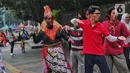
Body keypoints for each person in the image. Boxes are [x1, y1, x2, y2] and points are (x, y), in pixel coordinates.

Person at [70, 5, 127, 73]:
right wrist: (76, 20)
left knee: (106, 71)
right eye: (97, 13)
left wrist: (118, 38)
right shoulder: (84, 23)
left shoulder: (101, 26)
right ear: (91, 14)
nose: (99, 15)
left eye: (99, 13)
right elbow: (72, 21)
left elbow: (110, 38)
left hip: (99, 54)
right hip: (88, 54)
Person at [32, 5, 73, 73]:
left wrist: (68, 38)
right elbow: (36, 41)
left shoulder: (58, 28)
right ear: (45, 20)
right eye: (48, 18)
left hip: (59, 52)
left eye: (51, 18)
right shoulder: (43, 31)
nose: (50, 20)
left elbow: (64, 35)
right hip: (48, 53)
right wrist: (34, 32)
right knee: (52, 70)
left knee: (63, 69)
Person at [103, 8, 130, 73]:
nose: (115, 14)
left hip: (118, 51)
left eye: (116, 13)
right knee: (106, 70)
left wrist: (123, 44)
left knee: (124, 70)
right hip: (107, 51)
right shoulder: (104, 23)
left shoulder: (121, 24)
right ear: (109, 15)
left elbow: (127, 35)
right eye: (113, 13)